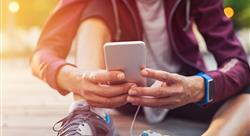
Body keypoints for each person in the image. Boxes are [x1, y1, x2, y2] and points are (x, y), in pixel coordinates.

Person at [30, 0, 250, 135]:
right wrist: (75, 78)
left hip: (181, 91)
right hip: (122, 95)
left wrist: (196, 87)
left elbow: (238, 63)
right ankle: (88, 114)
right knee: (94, 11)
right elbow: (43, 53)